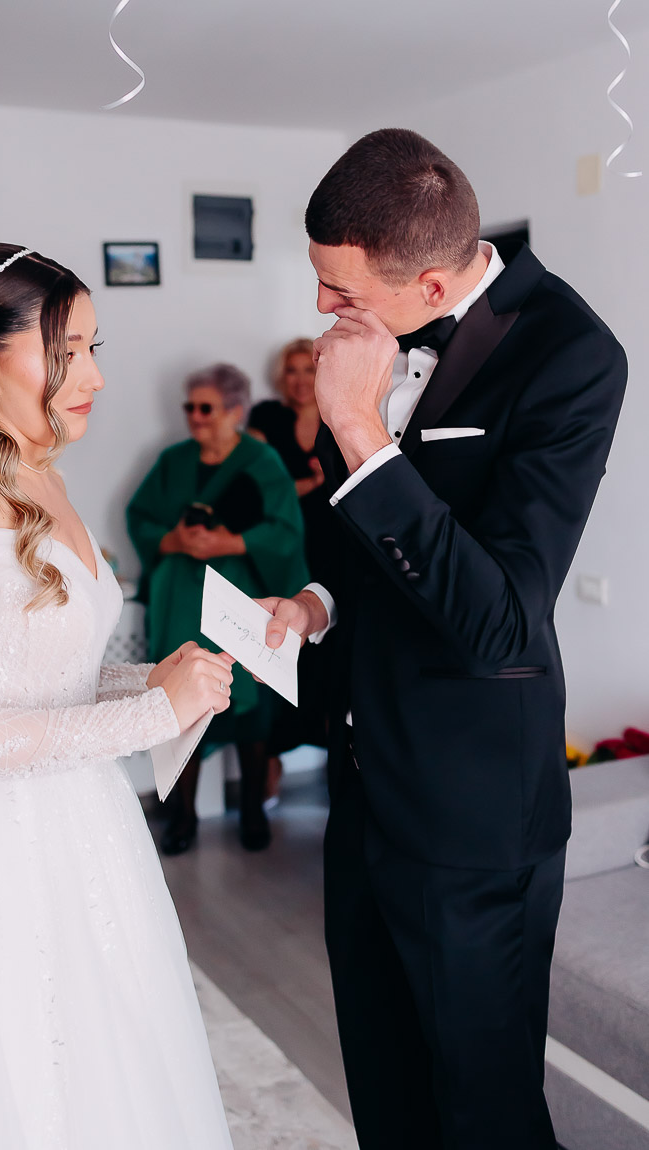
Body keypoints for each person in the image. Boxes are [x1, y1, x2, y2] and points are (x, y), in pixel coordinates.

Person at [259, 129, 627, 1150]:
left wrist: (358, 429)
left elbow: (501, 620)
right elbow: (380, 554)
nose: (322, 308)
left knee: (484, 1111)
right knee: (386, 1090)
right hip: (362, 782)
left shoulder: (573, 355)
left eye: (341, 290)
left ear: (427, 283)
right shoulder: (378, 330)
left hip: (475, 815)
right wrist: (320, 602)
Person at [0, 242, 235, 1150]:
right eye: (67, 351)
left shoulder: (43, 475)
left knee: (110, 1072)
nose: (95, 377)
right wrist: (152, 714)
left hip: (81, 825)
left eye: (92, 348)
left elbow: (46, 679)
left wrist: (152, 679)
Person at [126, 363, 308, 855]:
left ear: (235, 410)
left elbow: (286, 531)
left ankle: (252, 810)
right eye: (190, 407)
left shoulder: (262, 461)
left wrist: (232, 542)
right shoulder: (173, 461)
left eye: (205, 408)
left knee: (248, 704)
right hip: (180, 601)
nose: (194, 417)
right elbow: (140, 516)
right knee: (182, 700)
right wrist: (174, 540)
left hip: (240, 597)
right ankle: (181, 816)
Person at [248, 341, 335, 785]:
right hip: (282, 550)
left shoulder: (339, 413)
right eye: (292, 371)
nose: (301, 379)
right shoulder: (267, 418)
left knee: (328, 651)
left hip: (331, 543)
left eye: (308, 369)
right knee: (282, 647)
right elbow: (255, 489)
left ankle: (334, 754)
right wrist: (310, 483)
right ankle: (273, 760)